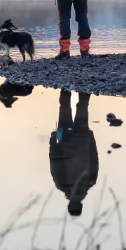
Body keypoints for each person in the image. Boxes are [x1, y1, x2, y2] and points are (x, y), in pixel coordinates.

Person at [48, 89, 98, 218]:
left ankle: (85, 87)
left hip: (83, 141)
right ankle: (65, 86)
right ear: (69, 205)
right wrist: (53, 140)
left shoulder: (90, 182)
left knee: (83, 107)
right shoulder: (62, 185)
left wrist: (91, 139)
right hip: (65, 141)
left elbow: (94, 159)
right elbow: (54, 161)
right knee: (64, 108)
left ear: (81, 205)